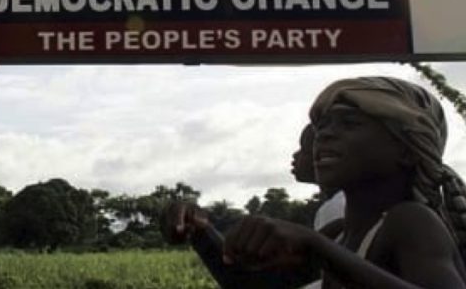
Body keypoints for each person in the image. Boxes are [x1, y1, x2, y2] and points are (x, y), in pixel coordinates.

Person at [221, 76, 466, 288]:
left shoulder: (409, 221)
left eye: (349, 123)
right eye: (322, 126)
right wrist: (198, 229)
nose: (325, 135)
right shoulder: (338, 233)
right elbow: (245, 285)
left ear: (407, 150)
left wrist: (316, 246)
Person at [163, 123, 345, 288]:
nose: (296, 154)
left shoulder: (337, 208)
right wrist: (201, 232)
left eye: (305, 147)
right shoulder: (336, 210)